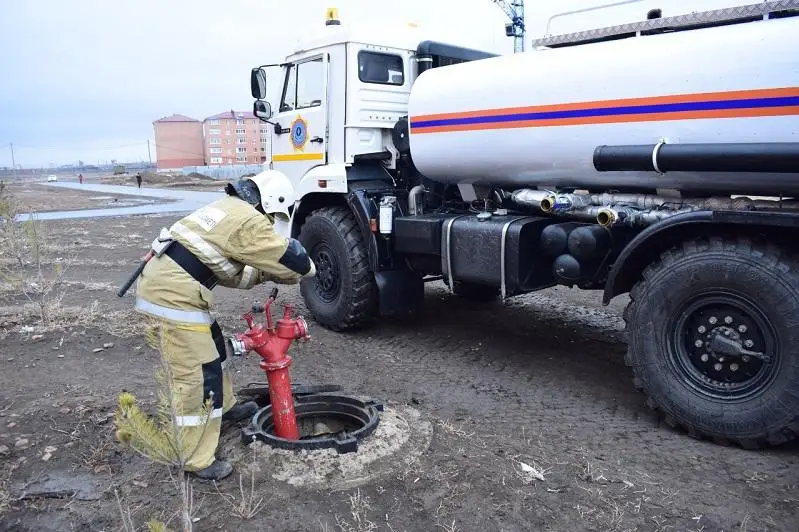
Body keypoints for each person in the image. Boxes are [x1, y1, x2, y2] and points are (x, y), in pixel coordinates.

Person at [133, 171, 316, 481]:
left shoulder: (228, 210)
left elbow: (233, 272)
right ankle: (195, 458)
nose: (273, 222)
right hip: (174, 296)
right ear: (273, 204)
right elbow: (292, 261)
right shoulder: (250, 221)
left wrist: (264, 273)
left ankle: (226, 407)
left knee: (215, 351)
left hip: (174, 287)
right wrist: (309, 267)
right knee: (197, 374)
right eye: (276, 217)